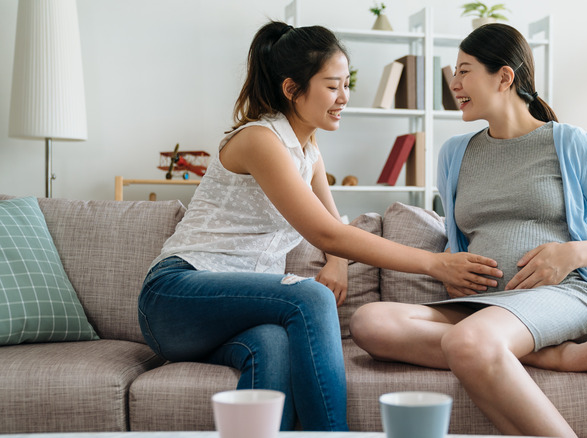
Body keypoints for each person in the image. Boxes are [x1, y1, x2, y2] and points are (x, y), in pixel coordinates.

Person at [137, 21, 501, 432]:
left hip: (228, 312)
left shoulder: (307, 150)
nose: (344, 97)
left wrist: (339, 264)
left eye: (347, 84)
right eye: (332, 86)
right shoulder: (260, 140)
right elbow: (327, 234)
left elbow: (333, 226)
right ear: (292, 89)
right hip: (175, 295)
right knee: (308, 297)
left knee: (273, 346)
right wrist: (435, 264)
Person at [349, 23, 587, 438]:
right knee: (370, 322)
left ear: (504, 76)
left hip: (560, 297)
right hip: (482, 306)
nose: (454, 84)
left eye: (464, 71)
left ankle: (526, 347)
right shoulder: (455, 152)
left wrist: (573, 254)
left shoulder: (568, 143)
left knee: (467, 342)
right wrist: (449, 268)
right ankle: (553, 357)